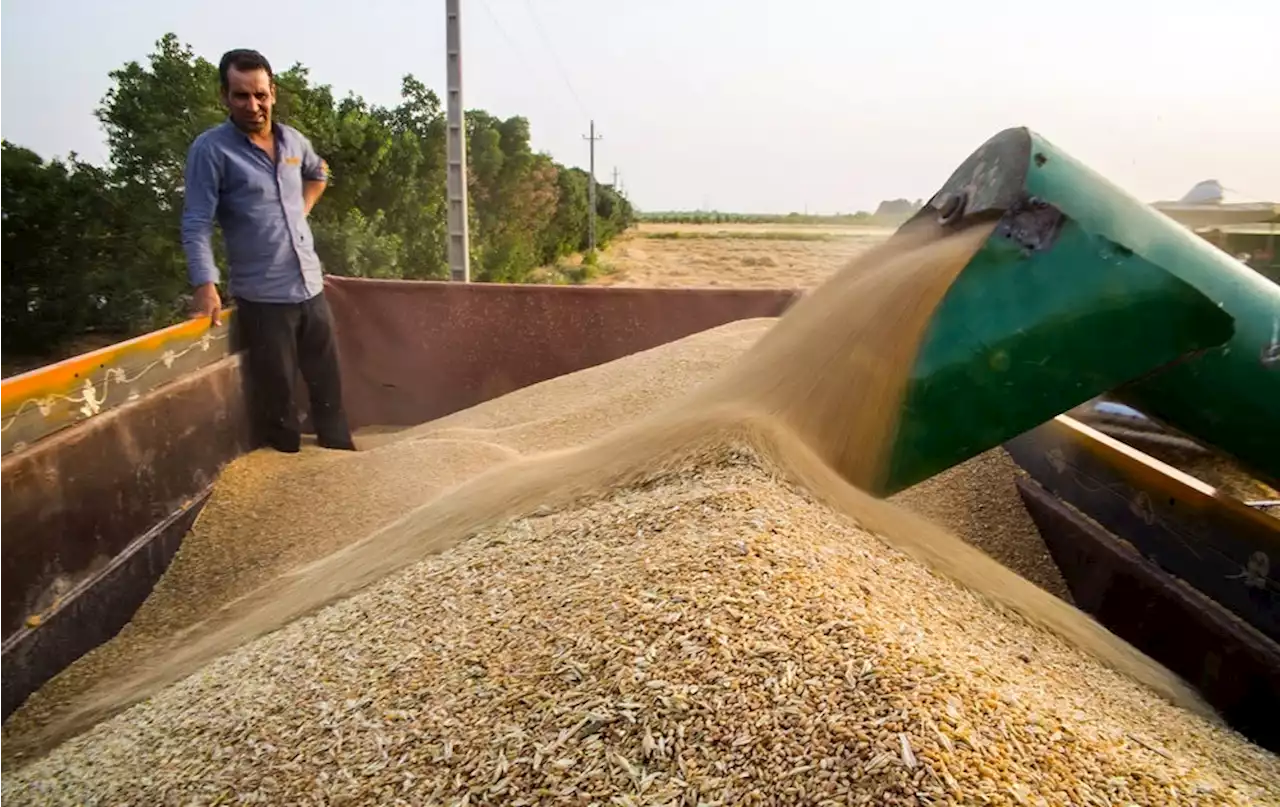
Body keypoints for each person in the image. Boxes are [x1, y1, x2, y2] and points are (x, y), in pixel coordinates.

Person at [181, 48, 355, 453]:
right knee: (277, 399)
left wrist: (305, 205)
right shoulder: (211, 151)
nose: (253, 105)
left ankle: (341, 458)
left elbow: (320, 170)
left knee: (328, 386)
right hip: (263, 298)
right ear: (225, 97)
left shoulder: (292, 140)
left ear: (273, 92)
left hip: (310, 285)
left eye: (260, 94)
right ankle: (286, 470)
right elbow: (196, 222)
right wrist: (205, 284)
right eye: (241, 95)